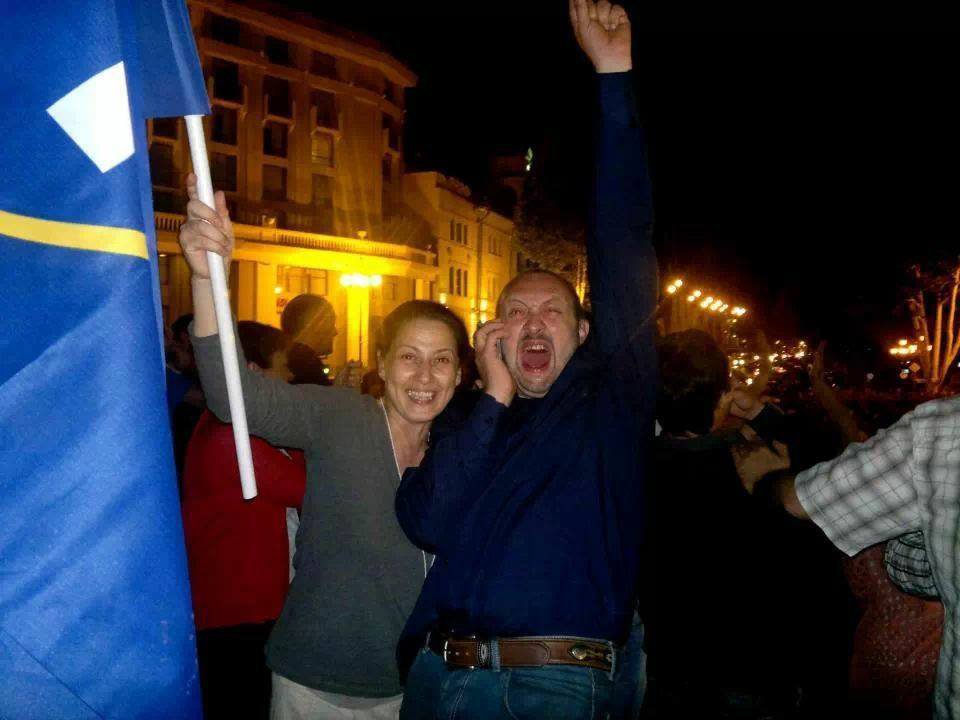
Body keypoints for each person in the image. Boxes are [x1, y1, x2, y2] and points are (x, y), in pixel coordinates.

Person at [394, 2, 656, 716]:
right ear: (494, 333)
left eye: (553, 313)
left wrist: (614, 78)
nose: (534, 323)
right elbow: (426, 522)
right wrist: (493, 397)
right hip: (437, 675)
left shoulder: (611, 404)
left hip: (551, 682)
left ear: (584, 333)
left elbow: (624, 245)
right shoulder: (466, 423)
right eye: (516, 312)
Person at [178, 176, 470, 719]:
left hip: (412, 689)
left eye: (442, 360)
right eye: (409, 357)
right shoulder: (340, 417)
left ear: (458, 375)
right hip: (312, 685)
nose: (424, 376)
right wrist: (206, 277)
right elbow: (232, 396)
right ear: (382, 364)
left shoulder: (457, 457)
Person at [740, 391, 960, 719]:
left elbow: (804, 499)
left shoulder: (941, 433)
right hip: (922, 655)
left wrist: (763, 478)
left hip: (888, 657)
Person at [642, 329, 820, 718]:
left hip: (666, 668)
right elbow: (824, 468)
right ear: (723, 395)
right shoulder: (749, 465)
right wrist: (760, 414)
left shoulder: (635, 466)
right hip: (746, 671)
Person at [181, 321, 306, 720]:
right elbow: (306, 487)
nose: (289, 376)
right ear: (252, 371)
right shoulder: (231, 434)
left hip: (247, 605)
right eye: (281, 365)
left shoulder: (243, 426)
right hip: (237, 612)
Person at [281, 294, 336, 385]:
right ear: (313, 325)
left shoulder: (283, 362)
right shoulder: (307, 368)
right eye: (330, 324)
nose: (335, 332)